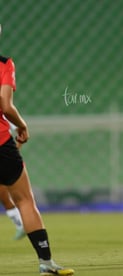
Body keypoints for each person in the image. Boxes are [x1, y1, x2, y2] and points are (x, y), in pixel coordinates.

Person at [0, 24, 74, 275]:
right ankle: (45, 263)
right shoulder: (4, 64)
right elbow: (6, 105)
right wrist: (22, 125)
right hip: (0, 144)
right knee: (24, 200)